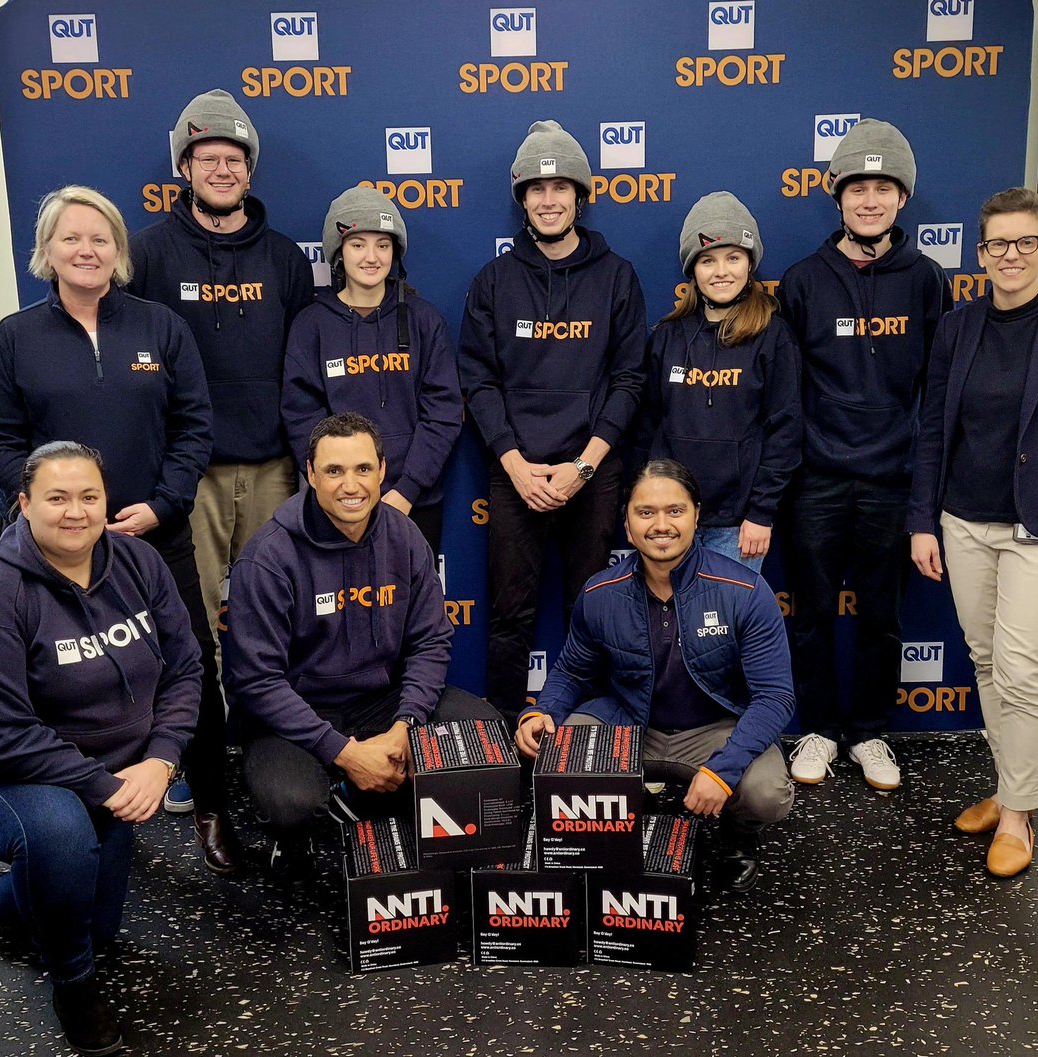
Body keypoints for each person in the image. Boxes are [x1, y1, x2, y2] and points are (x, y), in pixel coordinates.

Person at [0, 186, 237, 875]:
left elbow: (194, 426)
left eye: (100, 238)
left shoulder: (160, 328)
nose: (86, 250)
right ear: (47, 251)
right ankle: (75, 808)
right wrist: (59, 514)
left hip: (153, 532)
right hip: (52, 551)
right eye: (71, 238)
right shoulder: (13, 338)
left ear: (119, 250)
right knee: (63, 676)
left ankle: (211, 803)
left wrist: (163, 502)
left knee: (192, 667)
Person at [0, 442, 200, 1056]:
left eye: (89, 496)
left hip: (108, 770)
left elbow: (185, 668)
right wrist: (111, 788)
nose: (74, 511)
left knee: (87, 923)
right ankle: (74, 987)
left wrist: (161, 758)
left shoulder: (138, 564)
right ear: (22, 504)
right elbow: (3, 735)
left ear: (106, 502)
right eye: (56, 497)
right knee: (62, 841)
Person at [908, 187, 1038, 877]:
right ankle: (1007, 787)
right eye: (999, 243)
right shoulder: (958, 326)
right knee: (988, 660)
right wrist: (923, 521)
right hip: (963, 522)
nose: (1012, 255)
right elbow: (933, 429)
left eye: (1027, 242)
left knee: (1024, 671)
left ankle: (1021, 811)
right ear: (980, 254)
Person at [127, 89, 314, 820]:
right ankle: (186, 753)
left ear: (250, 168)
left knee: (275, 615)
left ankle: (272, 741)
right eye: (208, 157)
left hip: (271, 464)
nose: (222, 169)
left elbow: (306, 365)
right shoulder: (146, 251)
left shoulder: (283, 259)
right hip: (187, 470)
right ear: (184, 165)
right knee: (188, 622)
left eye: (235, 158)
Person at [223, 412, 500, 866]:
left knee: (484, 735)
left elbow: (431, 641)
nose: (350, 485)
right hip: (298, 712)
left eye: (362, 469)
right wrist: (345, 752)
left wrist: (405, 726)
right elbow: (256, 682)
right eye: (334, 470)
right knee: (291, 806)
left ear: (382, 471)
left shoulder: (404, 535)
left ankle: (360, 798)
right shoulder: (269, 556)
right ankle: (323, 815)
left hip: (382, 703)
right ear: (310, 473)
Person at [515, 459, 795, 893]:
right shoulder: (600, 592)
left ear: (696, 516)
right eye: (645, 512)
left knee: (766, 792)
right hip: (632, 722)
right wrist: (542, 711)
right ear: (627, 524)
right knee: (563, 751)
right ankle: (621, 815)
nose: (660, 525)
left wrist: (723, 770)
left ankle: (738, 836)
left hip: (713, 728)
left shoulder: (744, 592)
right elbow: (572, 669)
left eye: (674, 511)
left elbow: (775, 697)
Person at [777, 118, 952, 791]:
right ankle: (819, 728)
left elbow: (937, 396)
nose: (870, 199)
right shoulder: (802, 281)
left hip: (892, 482)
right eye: (857, 187)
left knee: (881, 619)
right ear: (837, 195)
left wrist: (923, 493)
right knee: (814, 614)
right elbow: (787, 394)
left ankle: (873, 732)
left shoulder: (926, 281)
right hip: (817, 480)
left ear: (902, 197)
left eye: (883, 187)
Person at [460, 119, 647, 725]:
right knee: (509, 615)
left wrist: (583, 466)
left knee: (593, 611)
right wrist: (515, 465)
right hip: (516, 473)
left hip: (592, 471)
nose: (548, 200)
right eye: (536, 191)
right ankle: (504, 738)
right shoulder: (494, 281)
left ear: (580, 196)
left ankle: (590, 735)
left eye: (561, 188)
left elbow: (629, 380)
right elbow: (478, 381)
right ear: (522, 199)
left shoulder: (616, 277)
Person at [281, 186, 461, 557]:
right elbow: (302, 416)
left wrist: (407, 489)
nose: (371, 257)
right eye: (358, 244)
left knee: (413, 610)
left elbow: (443, 412)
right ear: (338, 252)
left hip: (414, 503)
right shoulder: (311, 325)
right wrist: (340, 489)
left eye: (383, 244)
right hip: (336, 505)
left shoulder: (423, 320)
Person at [643, 192, 801, 572]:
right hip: (671, 518)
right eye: (707, 260)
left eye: (733, 258)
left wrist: (762, 513)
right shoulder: (667, 338)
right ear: (692, 270)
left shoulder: (773, 336)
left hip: (738, 525)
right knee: (669, 626)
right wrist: (645, 509)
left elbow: (785, 431)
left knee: (725, 629)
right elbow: (645, 430)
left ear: (750, 264)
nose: (721, 271)